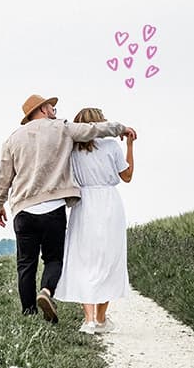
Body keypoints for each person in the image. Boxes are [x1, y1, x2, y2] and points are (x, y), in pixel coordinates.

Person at [0, 93, 136, 322]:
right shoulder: (61, 128)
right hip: (53, 208)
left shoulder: (13, 139)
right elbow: (93, 130)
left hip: (23, 208)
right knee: (53, 259)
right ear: (42, 110)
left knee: (26, 263)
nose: (54, 110)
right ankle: (46, 291)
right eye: (51, 107)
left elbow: (4, 176)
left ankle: (29, 313)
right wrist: (121, 128)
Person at [54, 107, 134, 334]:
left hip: (83, 203)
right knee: (109, 259)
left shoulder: (71, 149)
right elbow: (127, 176)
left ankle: (89, 319)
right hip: (109, 203)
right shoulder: (111, 146)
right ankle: (101, 317)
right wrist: (130, 146)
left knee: (83, 260)